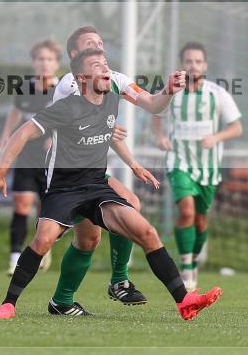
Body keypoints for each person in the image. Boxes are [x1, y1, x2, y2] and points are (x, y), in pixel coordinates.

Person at [0, 48, 222, 321]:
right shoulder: (66, 107)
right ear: (82, 77)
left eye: (106, 63)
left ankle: (184, 301)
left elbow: (154, 105)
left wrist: (167, 90)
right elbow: (22, 132)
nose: (106, 69)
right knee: (44, 238)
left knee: (147, 232)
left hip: (96, 185)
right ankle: (9, 303)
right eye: (97, 65)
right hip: (63, 188)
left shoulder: (112, 98)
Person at [47, 25, 185, 312]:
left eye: (99, 42)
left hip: (93, 174)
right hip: (68, 173)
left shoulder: (115, 80)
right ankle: (64, 299)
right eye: (89, 44)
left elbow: (152, 105)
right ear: (75, 54)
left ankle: (116, 283)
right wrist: (106, 129)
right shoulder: (67, 85)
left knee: (126, 208)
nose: (97, 47)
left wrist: (168, 91)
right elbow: (77, 127)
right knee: (89, 238)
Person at [151, 42, 243, 290]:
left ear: (205, 65)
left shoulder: (218, 93)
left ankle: (193, 259)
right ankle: (187, 267)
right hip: (179, 161)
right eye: (189, 61)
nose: (193, 65)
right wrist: (160, 138)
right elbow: (155, 114)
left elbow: (236, 127)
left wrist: (216, 137)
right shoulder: (171, 91)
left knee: (201, 220)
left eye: (198, 61)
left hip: (208, 165)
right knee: (187, 212)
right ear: (182, 64)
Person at [0, 39, 61, 275]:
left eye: (49, 59)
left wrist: (54, 138)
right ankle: (15, 257)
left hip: (51, 158)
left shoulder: (62, 89)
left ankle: (43, 249)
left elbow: (68, 120)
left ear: (56, 63)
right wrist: (6, 135)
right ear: (33, 62)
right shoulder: (24, 88)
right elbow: (15, 113)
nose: (44, 64)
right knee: (21, 203)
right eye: (40, 59)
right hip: (26, 156)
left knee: (45, 209)